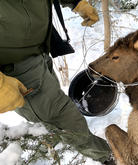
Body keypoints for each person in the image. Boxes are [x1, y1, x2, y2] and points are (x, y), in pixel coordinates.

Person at [0, 0, 114, 164]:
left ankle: (55, 141)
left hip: (39, 50)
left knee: (57, 115)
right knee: (65, 122)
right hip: (16, 69)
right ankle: (112, 158)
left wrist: (75, 2)